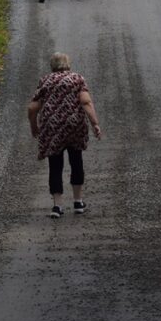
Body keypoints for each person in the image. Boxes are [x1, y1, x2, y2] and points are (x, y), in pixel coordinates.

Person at [27, 51, 102, 218]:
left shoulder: (45, 81)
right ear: (68, 64)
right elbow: (85, 102)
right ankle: (78, 202)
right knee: (76, 161)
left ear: (52, 66)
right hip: (74, 126)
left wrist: (34, 127)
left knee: (55, 166)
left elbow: (32, 108)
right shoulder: (77, 79)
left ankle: (57, 207)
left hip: (52, 128)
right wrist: (95, 123)